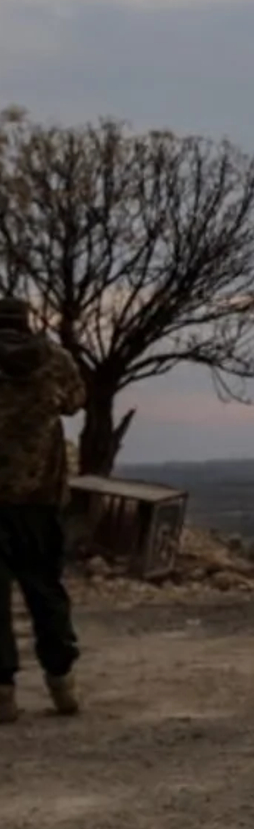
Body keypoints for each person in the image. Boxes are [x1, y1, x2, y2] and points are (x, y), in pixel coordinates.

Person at [0, 296, 85, 723]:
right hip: (40, 499)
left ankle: (2, 693)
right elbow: (75, 401)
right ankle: (61, 680)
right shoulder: (54, 359)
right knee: (45, 589)